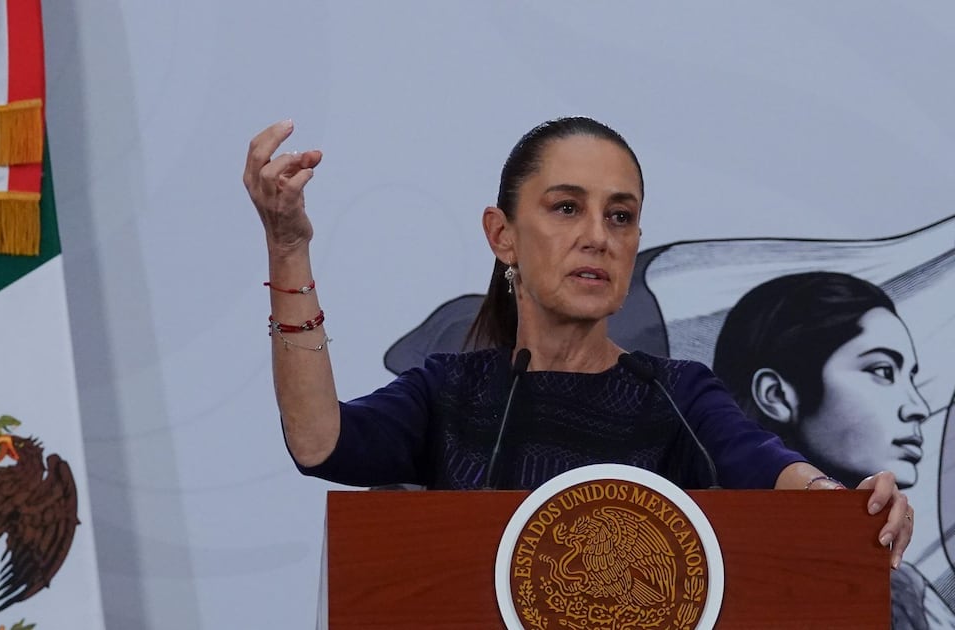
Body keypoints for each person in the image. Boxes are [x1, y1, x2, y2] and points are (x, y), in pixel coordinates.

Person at [243, 116, 914, 569]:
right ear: (502, 234)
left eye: (619, 216)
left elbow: (768, 466)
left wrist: (845, 502)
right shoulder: (450, 393)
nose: (598, 234)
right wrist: (288, 248)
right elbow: (318, 441)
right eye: (567, 207)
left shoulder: (675, 397)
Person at [714, 272, 954, 628]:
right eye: (882, 370)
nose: (917, 406)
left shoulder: (901, 590)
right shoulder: (687, 548)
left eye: (911, 377)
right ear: (776, 395)